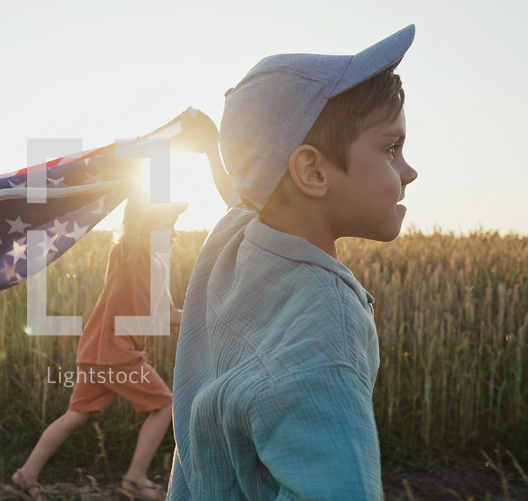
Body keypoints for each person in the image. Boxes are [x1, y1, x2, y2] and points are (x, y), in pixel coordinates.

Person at [168, 25, 418, 499]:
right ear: (312, 171)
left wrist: (214, 148)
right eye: (391, 148)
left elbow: (246, 195)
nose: (409, 171)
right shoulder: (328, 328)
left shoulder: (234, 239)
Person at [9, 191, 188, 501]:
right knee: (163, 405)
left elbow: (165, 315)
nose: (174, 232)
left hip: (101, 353)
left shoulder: (158, 266)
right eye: (168, 224)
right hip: (113, 352)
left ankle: (27, 474)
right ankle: (134, 478)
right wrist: (135, 184)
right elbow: (133, 223)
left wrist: (207, 313)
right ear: (146, 226)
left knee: (76, 414)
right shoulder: (130, 254)